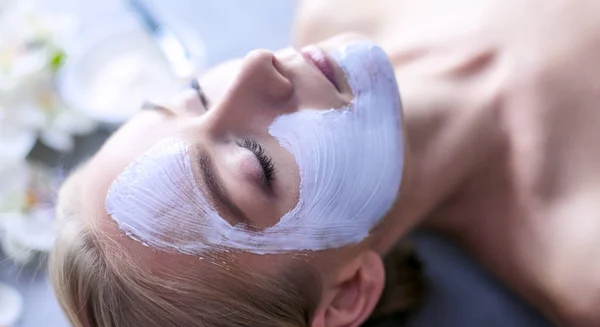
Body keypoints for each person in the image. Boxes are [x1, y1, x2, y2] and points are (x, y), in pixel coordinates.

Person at [50, 1, 600, 327]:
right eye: (257, 163)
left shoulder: (337, 9)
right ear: (346, 297)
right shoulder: (584, 259)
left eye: (195, 94)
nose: (253, 68)